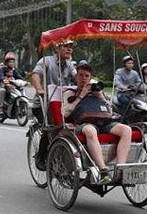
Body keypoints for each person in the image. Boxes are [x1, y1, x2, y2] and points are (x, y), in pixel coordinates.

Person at [63, 64, 131, 184]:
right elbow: (66, 113)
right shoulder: (70, 93)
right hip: (83, 124)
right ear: (76, 77)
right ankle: (103, 170)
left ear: (90, 78)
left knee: (126, 130)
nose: (83, 78)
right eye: (81, 75)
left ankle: (120, 170)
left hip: (103, 122)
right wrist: (81, 96)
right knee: (90, 130)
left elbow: (110, 112)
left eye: (86, 76)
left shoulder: (96, 91)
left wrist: (101, 97)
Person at [31, 41, 76, 170]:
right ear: (57, 48)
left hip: (62, 105)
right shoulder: (46, 61)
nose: (69, 49)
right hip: (43, 104)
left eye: (71, 47)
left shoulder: (69, 66)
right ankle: (41, 156)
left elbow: (77, 77)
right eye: (66, 46)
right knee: (50, 127)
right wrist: (39, 89)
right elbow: (35, 75)